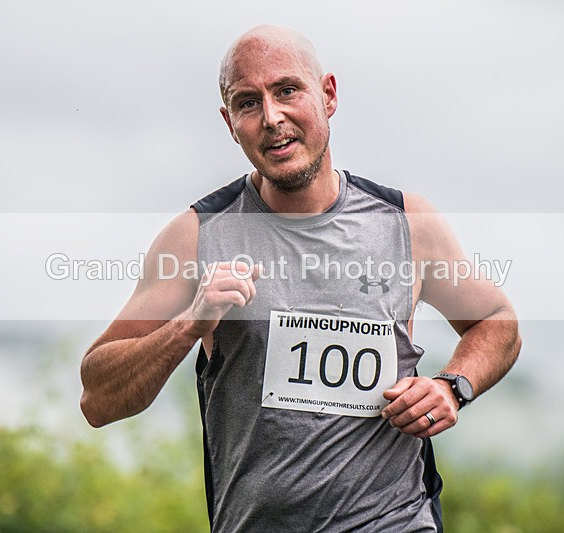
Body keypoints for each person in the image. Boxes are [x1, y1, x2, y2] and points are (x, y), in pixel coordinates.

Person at [80, 25, 521, 532]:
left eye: (287, 90)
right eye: (248, 103)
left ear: (328, 95)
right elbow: (97, 397)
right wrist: (187, 324)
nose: (272, 117)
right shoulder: (196, 238)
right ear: (230, 123)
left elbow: (496, 320)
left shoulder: (406, 224)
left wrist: (451, 386)